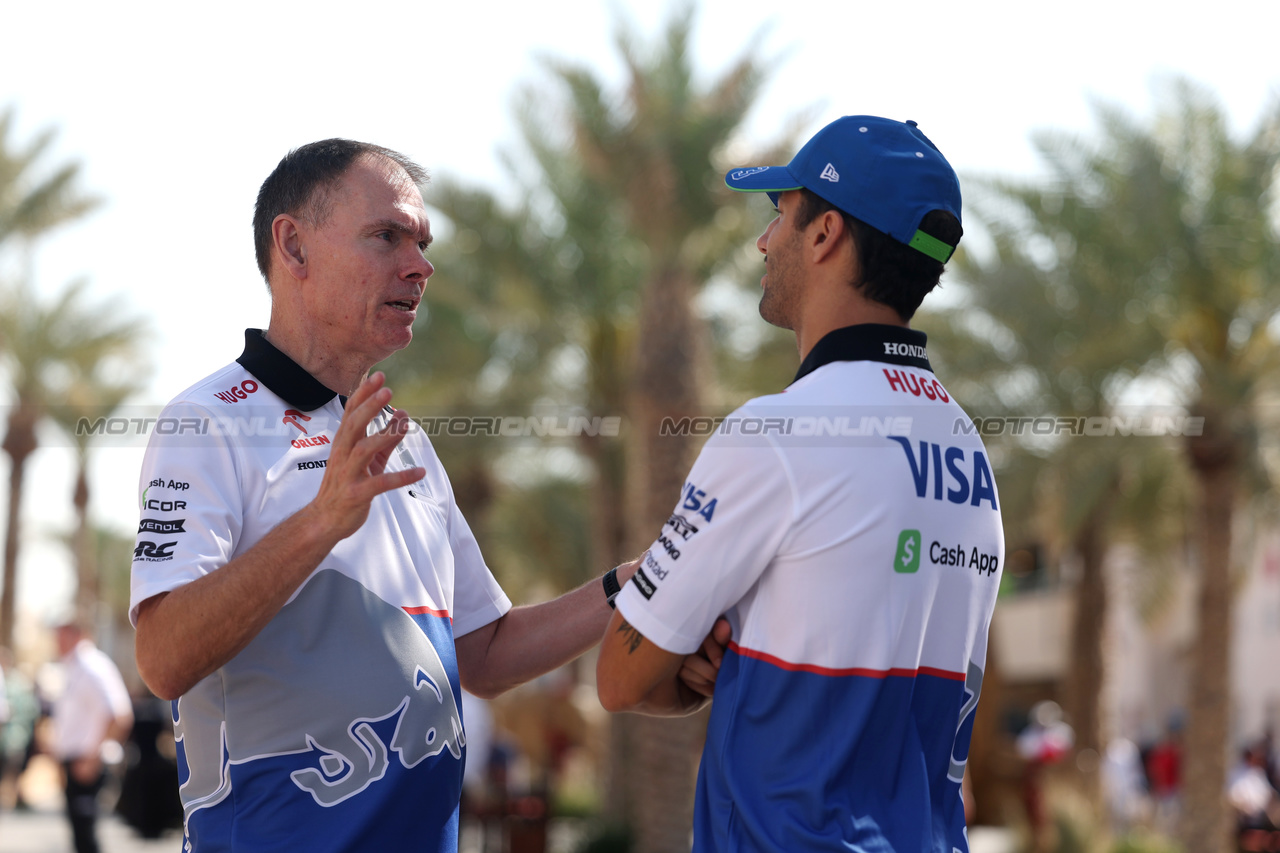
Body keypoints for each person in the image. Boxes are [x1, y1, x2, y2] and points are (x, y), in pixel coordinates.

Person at [129, 139, 701, 852]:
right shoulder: (207, 421)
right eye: (387, 235)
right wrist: (321, 522)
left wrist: (645, 575)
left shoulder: (408, 444)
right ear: (293, 245)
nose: (420, 266)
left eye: (423, 244)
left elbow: (486, 651)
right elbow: (162, 656)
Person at [596, 115, 1004, 852]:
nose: (763, 241)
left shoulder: (776, 432)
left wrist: (690, 661)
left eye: (779, 215)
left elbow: (621, 675)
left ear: (825, 235)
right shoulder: (968, 450)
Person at [49, 622, 134, 853]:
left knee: (87, 834)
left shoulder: (91, 666)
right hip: (75, 760)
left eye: (62, 635)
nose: (57, 642)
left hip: (87, 761)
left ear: (77, 635)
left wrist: (93, 758)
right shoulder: (74, 667)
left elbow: (120, 714)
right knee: (79, 834)